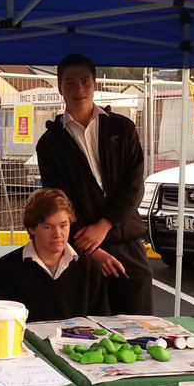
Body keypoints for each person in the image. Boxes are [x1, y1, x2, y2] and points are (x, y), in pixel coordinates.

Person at [36, 53, 154, 315]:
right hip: (83, 249)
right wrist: (92, 249)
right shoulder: (50, 143)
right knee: (88, 331)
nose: (79, 89)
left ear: (95, 84)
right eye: (70, 83)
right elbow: (58, 202)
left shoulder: (122, 129)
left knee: (139, 325)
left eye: (85, 81)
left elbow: (134, 185)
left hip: (126, 241)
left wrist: (105, 224)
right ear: (60, 88)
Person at [0, 188, 109, 322]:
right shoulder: (6, 268)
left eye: (63, 225)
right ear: (32, 228)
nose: (58, 234)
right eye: (48, 227)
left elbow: (100, 321)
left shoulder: (88, 266)